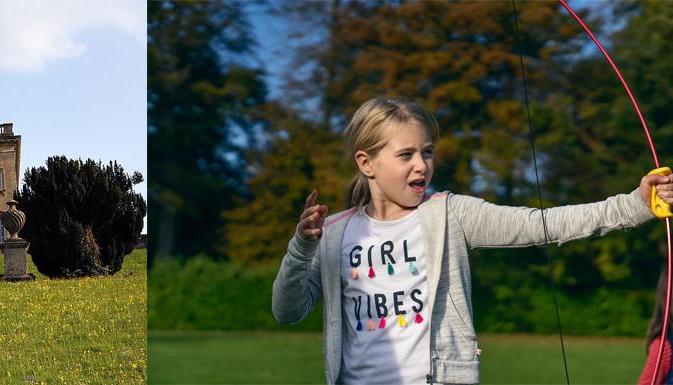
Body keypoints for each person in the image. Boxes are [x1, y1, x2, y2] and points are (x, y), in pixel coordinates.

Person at [272, 97, 673, 384]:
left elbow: (545, 224)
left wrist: (635, 203)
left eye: (427, 152)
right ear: (366, 163)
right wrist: (300, 248)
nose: (421, 165)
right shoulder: (334, 233)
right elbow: (286, 311)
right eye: (406, 154)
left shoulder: (452, 213)